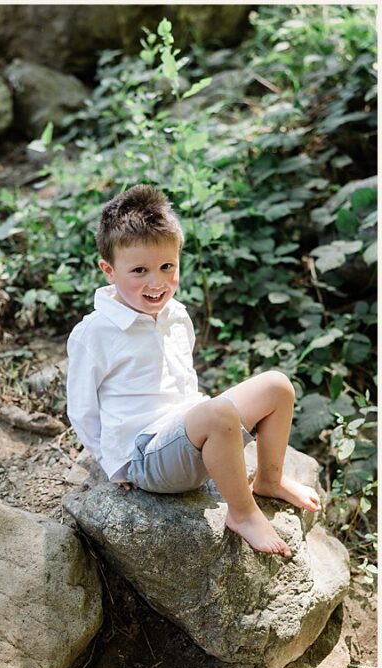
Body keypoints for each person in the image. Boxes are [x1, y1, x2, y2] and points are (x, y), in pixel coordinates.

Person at [65, 186, 321, 558]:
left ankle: (269, 478)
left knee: (277, 387)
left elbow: (184, 381)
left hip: (188, 435)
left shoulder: (176, 314)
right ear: (109, 271)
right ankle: (243, 512)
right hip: (146, 455)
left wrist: (213, 433)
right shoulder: (95, 333)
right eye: (139, 271)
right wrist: (113, 467)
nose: (156, 282)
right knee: (217, 412)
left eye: (167, 267)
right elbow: (81, 408)